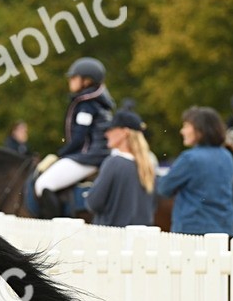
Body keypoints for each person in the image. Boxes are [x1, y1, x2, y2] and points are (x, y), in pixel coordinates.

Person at [34, 57, 115, 218]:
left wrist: (59, 155)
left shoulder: (87, 105)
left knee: (42, 184)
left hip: (90, 157)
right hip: (94, 155)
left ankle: (53, 227)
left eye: (74, 77)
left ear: (86, 81)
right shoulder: (94, 101)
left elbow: (79, 139)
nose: (70, 81)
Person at [156, 107, 233, 236]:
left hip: (192, 230)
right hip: (222, 229)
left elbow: (164, 188)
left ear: (200, 130)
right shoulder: (227, 156)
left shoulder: (190, 158)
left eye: (186, 126)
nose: (182, 131)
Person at [84, 109, 155, 227]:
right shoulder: (148, 167)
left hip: (112, 237)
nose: (106, 134)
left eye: (111, 129)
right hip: (139, 239)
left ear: (124, 132)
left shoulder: (113, 163)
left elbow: (93, 203)